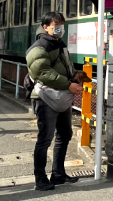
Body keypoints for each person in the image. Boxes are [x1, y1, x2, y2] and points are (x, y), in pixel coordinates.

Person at [26, 12, 80, 191]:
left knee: (64, 135)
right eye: (56, 24)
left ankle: (58, 173)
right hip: (45, 98)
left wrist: (74, 77)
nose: (60, 27)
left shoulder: (59, 44)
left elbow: (65, 66)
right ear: (46, 26)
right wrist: (68, 84)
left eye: (62, 24)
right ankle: (40, 179)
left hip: (60, 96)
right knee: (45, 139)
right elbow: (41, 73)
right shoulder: (39, 47)